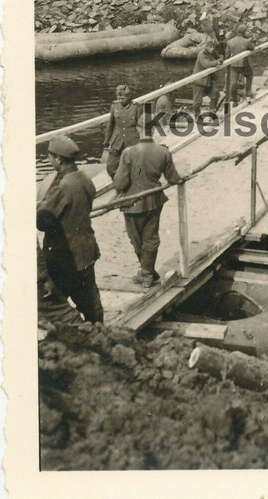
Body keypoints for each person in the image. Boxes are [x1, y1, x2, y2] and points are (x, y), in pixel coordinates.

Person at [36, 135, 104, 323]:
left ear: (58, 159)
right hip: (86, 249)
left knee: (54, 301)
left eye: (50, 156)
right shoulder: (84, 179)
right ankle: (100, 335)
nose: (48, 160)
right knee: (91, 301)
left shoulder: (63, 186)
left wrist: (42, 208)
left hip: (65, 254)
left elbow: (42, 220)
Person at [113, 131, 182, 288]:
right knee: (150, 237)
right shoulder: (163, 151)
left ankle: (146, 274)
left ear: (138, 130)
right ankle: (148, 272)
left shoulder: (128, 152)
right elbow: (173, 178)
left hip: (132, 204)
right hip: (154, 201)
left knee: (135, 239)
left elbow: (120, 183)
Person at [103, 85, 142, 178]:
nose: (120, 100)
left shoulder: (136, 107)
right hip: (117, 141)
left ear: (128, 97)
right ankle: (118, 183)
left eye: (123, 98)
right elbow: (111, 125)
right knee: (111, 167)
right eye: (118, 98)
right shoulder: (114, 106)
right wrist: (106, 142)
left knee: (134, 167)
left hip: (132, 141)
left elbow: (142, 127)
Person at [192, 40, 223, 118]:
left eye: (213, 47)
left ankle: (211, 114)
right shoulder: (201, 54)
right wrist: (216, 62)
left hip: (208, 80)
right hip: (199, 81)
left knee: (215, 95)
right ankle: (197, 116)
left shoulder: (212, 52)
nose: (212, 49)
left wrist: (220, 60)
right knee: (197, 102)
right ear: (206, 47)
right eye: (210, 47)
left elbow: (220, 57)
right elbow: (206, 64)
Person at [225, 23, 254, 105]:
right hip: (243, 64)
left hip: (233, 65)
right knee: (250, 75)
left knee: (233, 82)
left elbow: (227, 55)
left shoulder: (230, 42)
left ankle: (234, 100)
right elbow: (252, 48)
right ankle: (248, 93)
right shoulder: (246, 41)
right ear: (244, 32)